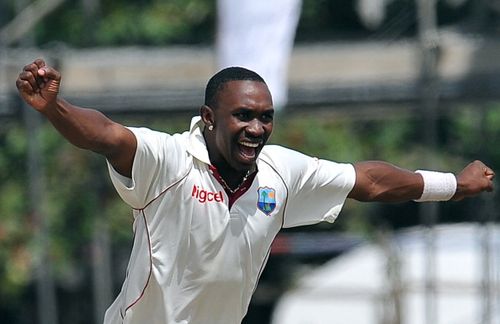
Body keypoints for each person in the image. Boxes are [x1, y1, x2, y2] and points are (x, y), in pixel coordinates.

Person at [16, 58, 494, 324]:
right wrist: (54, 109)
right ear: (207, 119)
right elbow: (106, 134)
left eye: (265, 116)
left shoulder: (280, 171)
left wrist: (452, 185)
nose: (257, 127)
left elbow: (367, 180)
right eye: (243, 116)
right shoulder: (168, 160)